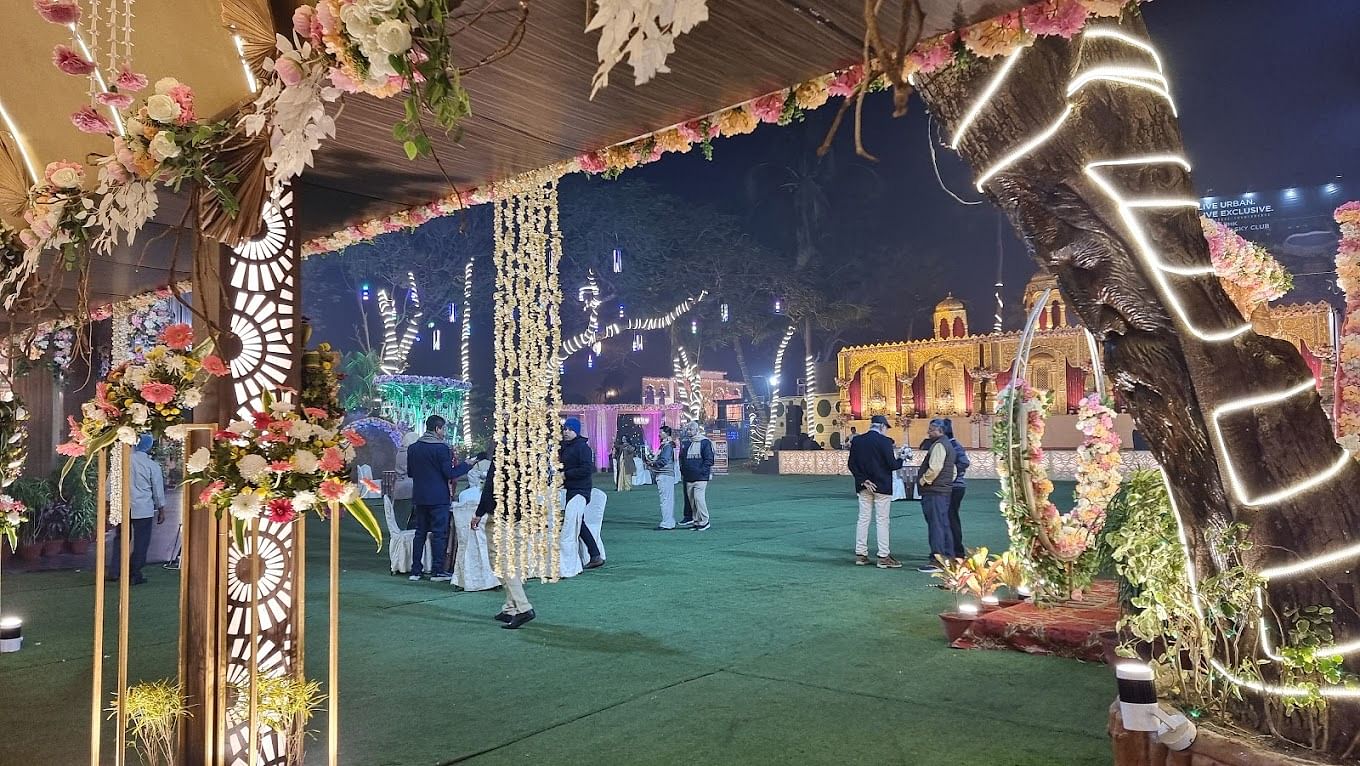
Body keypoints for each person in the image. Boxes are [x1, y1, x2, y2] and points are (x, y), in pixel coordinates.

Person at [470, 458, 535, 629]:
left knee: (500, 562)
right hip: (522, 513)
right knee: (516, 562)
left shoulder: (502, 450)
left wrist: (479, 512)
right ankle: (511, 608)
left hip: (501, 515)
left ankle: (523, 607)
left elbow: (491, 485)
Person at [846, 415, 903, 568]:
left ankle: (861, 554)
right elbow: (892, 465)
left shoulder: (857, 441)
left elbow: (851, 464)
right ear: (882, 427)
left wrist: (863, 479)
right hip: (882, 486)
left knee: (863, 519)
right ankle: (883, 556)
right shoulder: (884, 442)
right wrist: (902, 459)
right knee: (882, 520)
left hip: (864, 486)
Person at [406, 415, 458, 582]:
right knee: (439, 534)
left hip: (420, 496)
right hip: (438, 498)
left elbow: (411, 473)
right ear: (437, 429)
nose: (444, 433)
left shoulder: (413, 448)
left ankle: (416, 570)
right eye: (443, 429)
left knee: (420, 533)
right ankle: (437, 571)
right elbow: (449, 474)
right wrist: (467, 465)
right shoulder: (442, 448)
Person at [111, 433, 165, 585]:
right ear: (149, 447)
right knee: (142, 541)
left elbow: (110, 484)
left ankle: (115, 571)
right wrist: (161, 509)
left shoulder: (122, 462)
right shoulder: (151, 465)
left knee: (120, 538)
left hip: (123, 507)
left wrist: (109, 504)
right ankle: (134, 573)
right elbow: (157, 489)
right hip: (143, 509)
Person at [916, 418, 959, 573]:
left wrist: (923, 480)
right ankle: (948, 557)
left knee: (936, 526)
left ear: (939, 431)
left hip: (934, 492)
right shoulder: (948, 445)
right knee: (943, 524)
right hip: (944, 490)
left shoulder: (939, 445)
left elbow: (935, 468)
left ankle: (938, 560)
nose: (928, 432)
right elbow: (953, 471)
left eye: (931, 429)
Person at [561, 417, 603, 568]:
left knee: (575, 522)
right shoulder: (565, 447)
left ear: (576, 431)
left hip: (580, 490)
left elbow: (586, 469)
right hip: (570, 489)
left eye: (570, 429)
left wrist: (566, 474)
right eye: (565, 429)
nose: (566, 432)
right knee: (578, 523)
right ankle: (594, 554)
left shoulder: (582, 448)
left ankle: (594, 555)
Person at [942, 419, 970, 559]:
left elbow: (964, 462)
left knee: (952, 519)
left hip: (954, 487)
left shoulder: (953, 445)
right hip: (952, 487)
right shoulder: (950, 445)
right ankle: (951, 549)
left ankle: (957, 551)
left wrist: (950, 471)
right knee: (949, 518)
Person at [679, 423, 714, 531]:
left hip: (700, 477)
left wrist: (702, 471)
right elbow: (682, 459)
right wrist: (684, 471)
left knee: (699, 499)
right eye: (687, 429)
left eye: (690, 429)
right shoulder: (686, 443)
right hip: (689, 477)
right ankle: (697, 521)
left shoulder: (705, 442)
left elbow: (709, 459)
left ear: (696, 430)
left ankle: (705, 521)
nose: (688, 431)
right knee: (692, 501)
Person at [650, 425, 680, 529]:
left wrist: (653, 463)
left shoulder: (667, 446)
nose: (659, 434)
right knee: (667, 499)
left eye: (661, 432)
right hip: (665, 474)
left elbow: (663, 461)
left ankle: (667, 523)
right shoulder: (665, 445)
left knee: (665, 499)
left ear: (666, 433)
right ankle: (669, 521)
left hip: (665, 474)